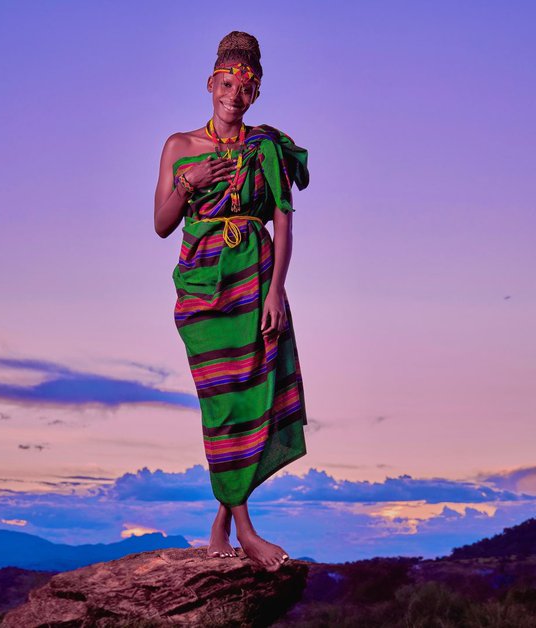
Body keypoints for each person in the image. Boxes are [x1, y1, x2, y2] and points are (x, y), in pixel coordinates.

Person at [153, 31, 310, 572]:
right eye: (225, 84)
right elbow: (160, 225)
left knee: (253, 397)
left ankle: (231, 524)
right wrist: (189, 182)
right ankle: (240, 527)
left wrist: (277, 291)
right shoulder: (178, 147)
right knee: (220, 401)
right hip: (201, 285)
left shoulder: (266, 147)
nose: (233, 96)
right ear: (211, 83)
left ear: (255, 93)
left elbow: (285, 223)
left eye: (245, 88)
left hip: (255, 277)